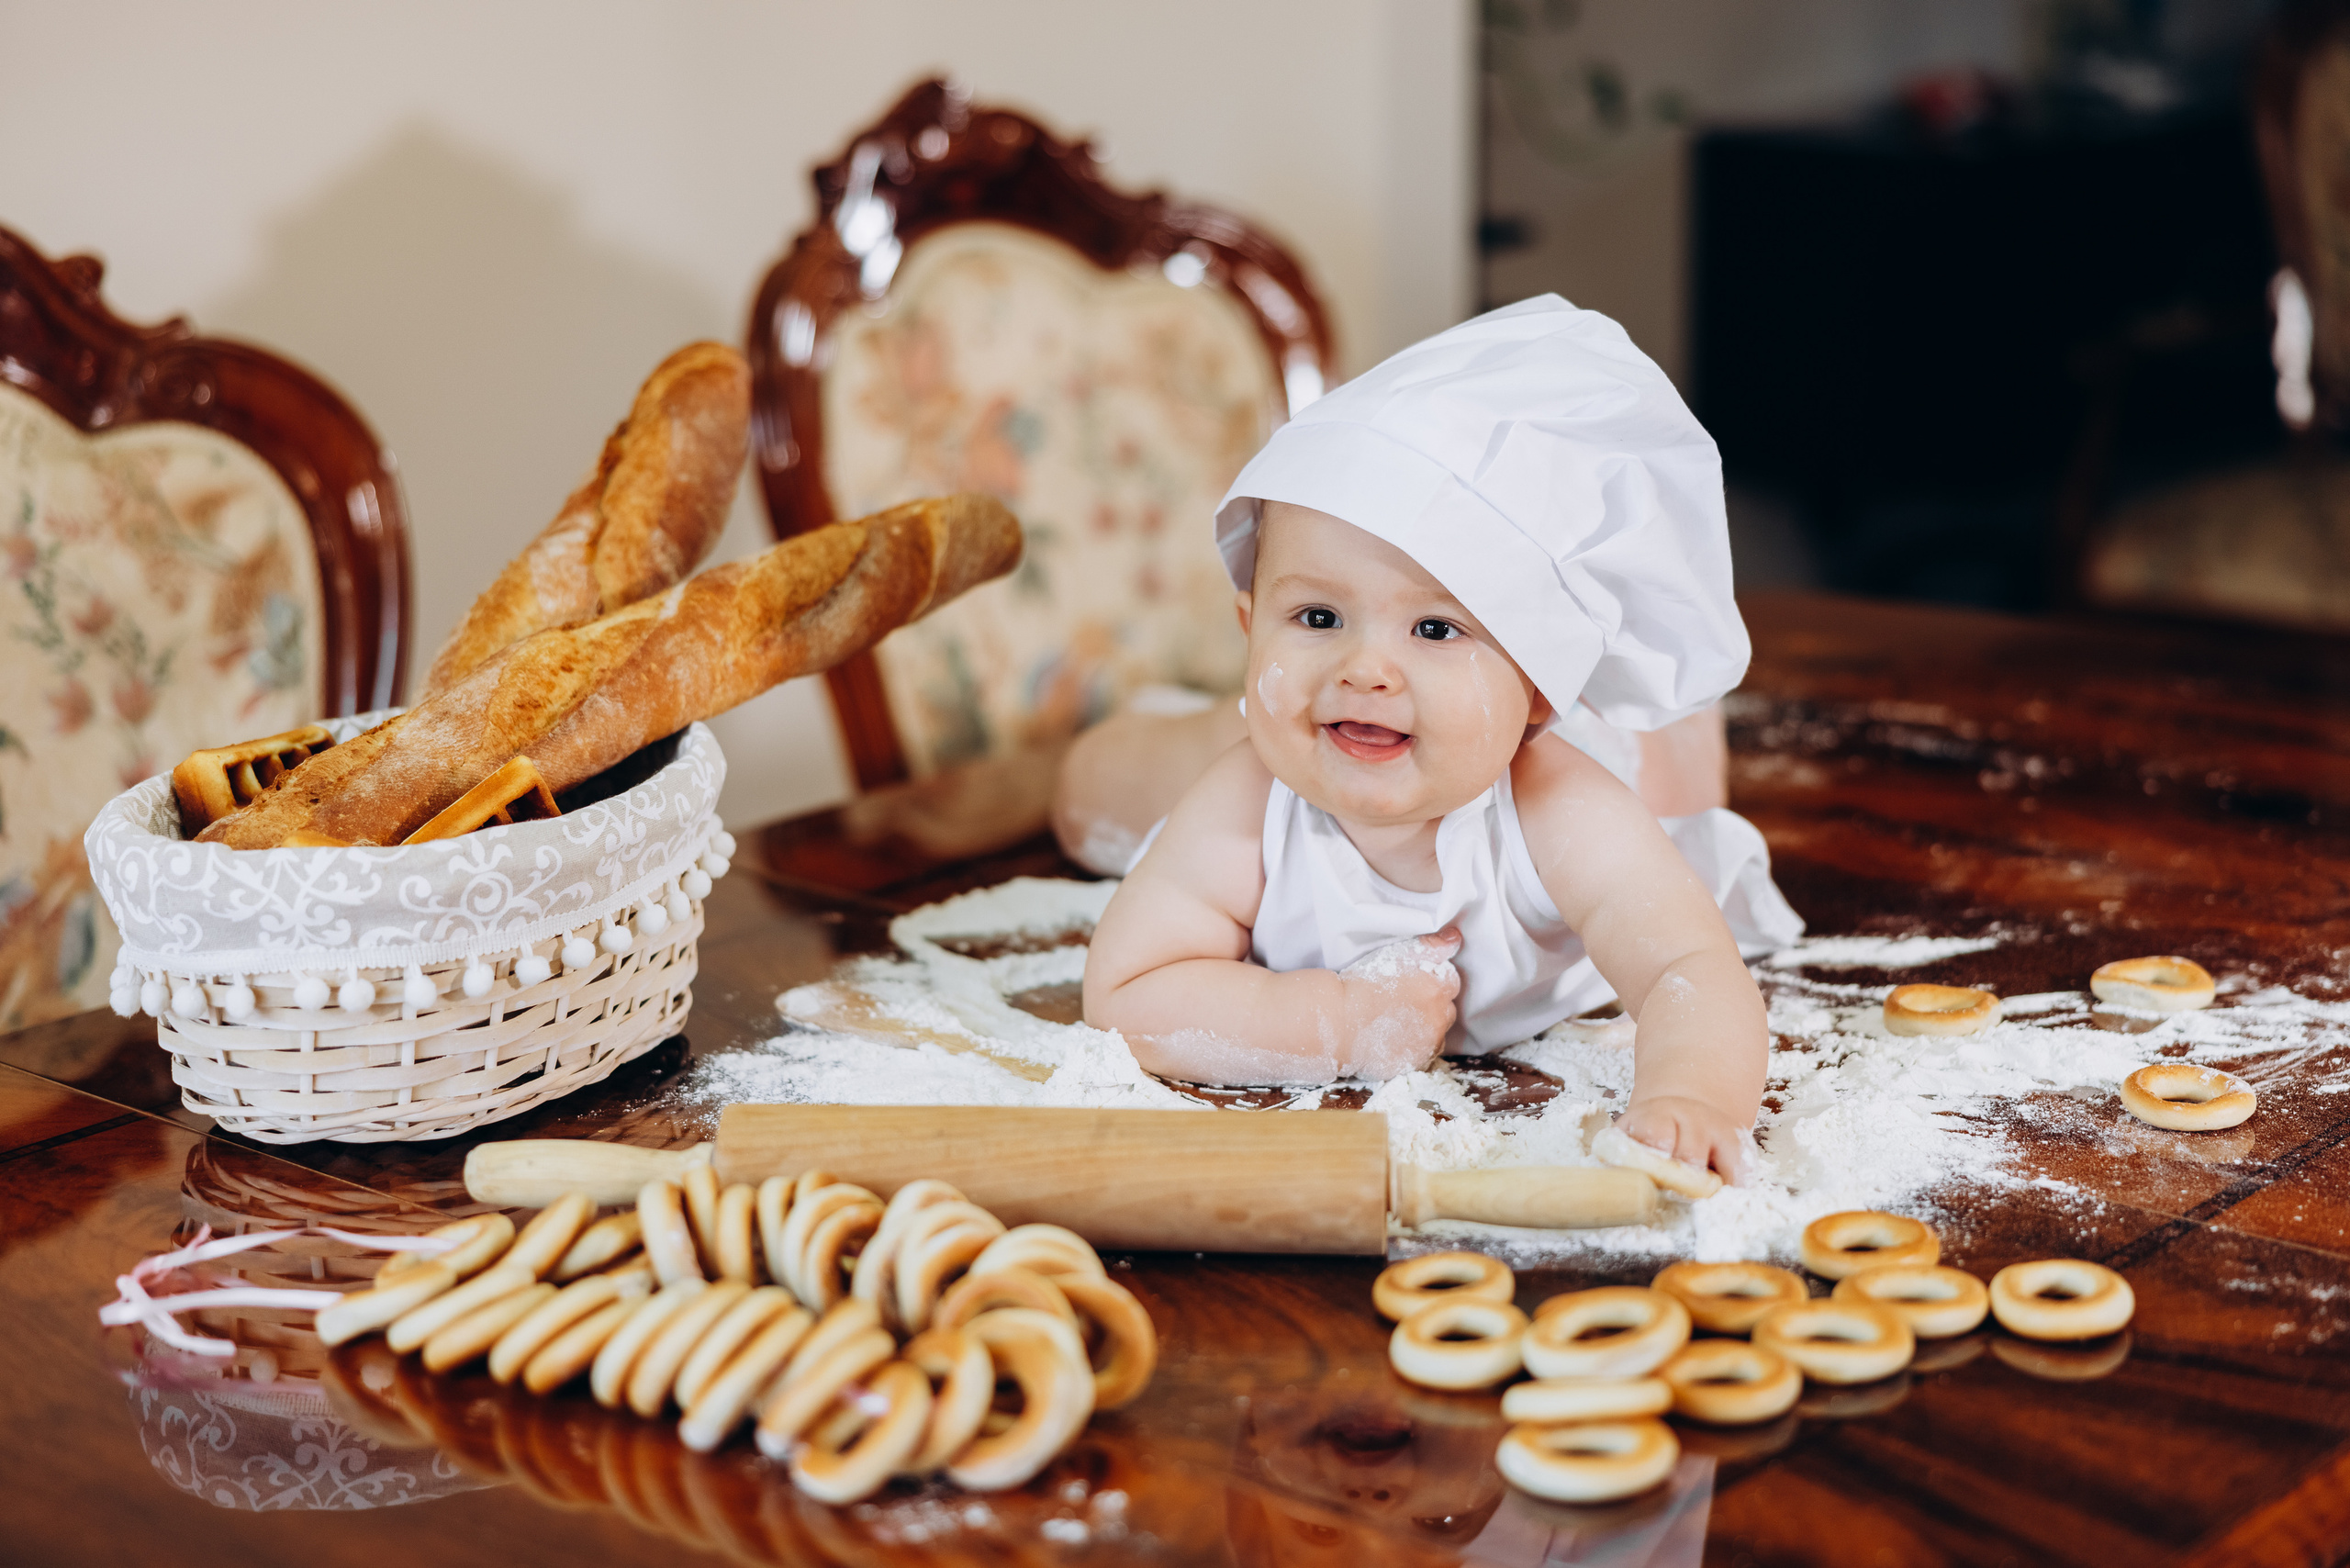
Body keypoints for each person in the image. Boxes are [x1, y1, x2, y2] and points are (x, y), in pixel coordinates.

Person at [1063, 296, 1801, 1182]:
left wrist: (1695, 1095)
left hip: (1597, 764)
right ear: (1250, 626)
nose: (1367, 669)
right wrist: (1334, 1020)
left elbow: (1688, 966)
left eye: (1436, 631)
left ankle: (1666, 726)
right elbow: (1127, 994)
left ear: (1535, 685)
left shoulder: (1561, 811)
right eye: (1319, 615)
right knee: (1090, 797)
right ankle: (1176, 718)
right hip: (1269, 742)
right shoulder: (1249, 797)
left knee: (1669, 783)